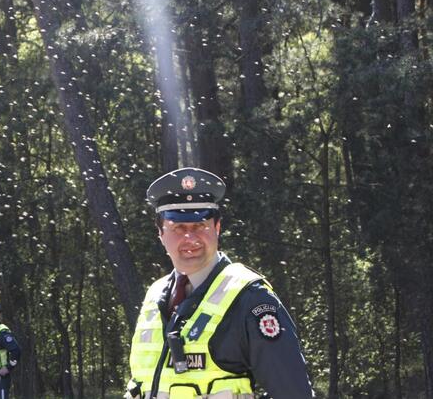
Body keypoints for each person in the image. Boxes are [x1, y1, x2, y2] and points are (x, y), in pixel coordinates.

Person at [126, 167, 314, 399]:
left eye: (200, 226)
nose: (190, 238)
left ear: (217, 228)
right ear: (160, 233)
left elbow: (294, 393)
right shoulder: (155, 296)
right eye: (178, 228)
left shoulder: (250, 298)